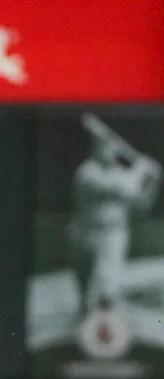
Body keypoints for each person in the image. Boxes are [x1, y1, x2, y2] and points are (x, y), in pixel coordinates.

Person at [69, 113, 163, 315]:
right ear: (95, 149)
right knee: (84, 290)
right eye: (106, 146)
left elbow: (141, 206)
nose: (112, 151)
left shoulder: (119, 173)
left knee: (107, 287)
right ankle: (86, 321)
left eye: (113, 148)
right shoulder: (87, 173)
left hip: (112, 234)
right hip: (83, 233)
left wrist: (154, 182)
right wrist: (142, 168)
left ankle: (105, 322)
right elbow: (125, 188)